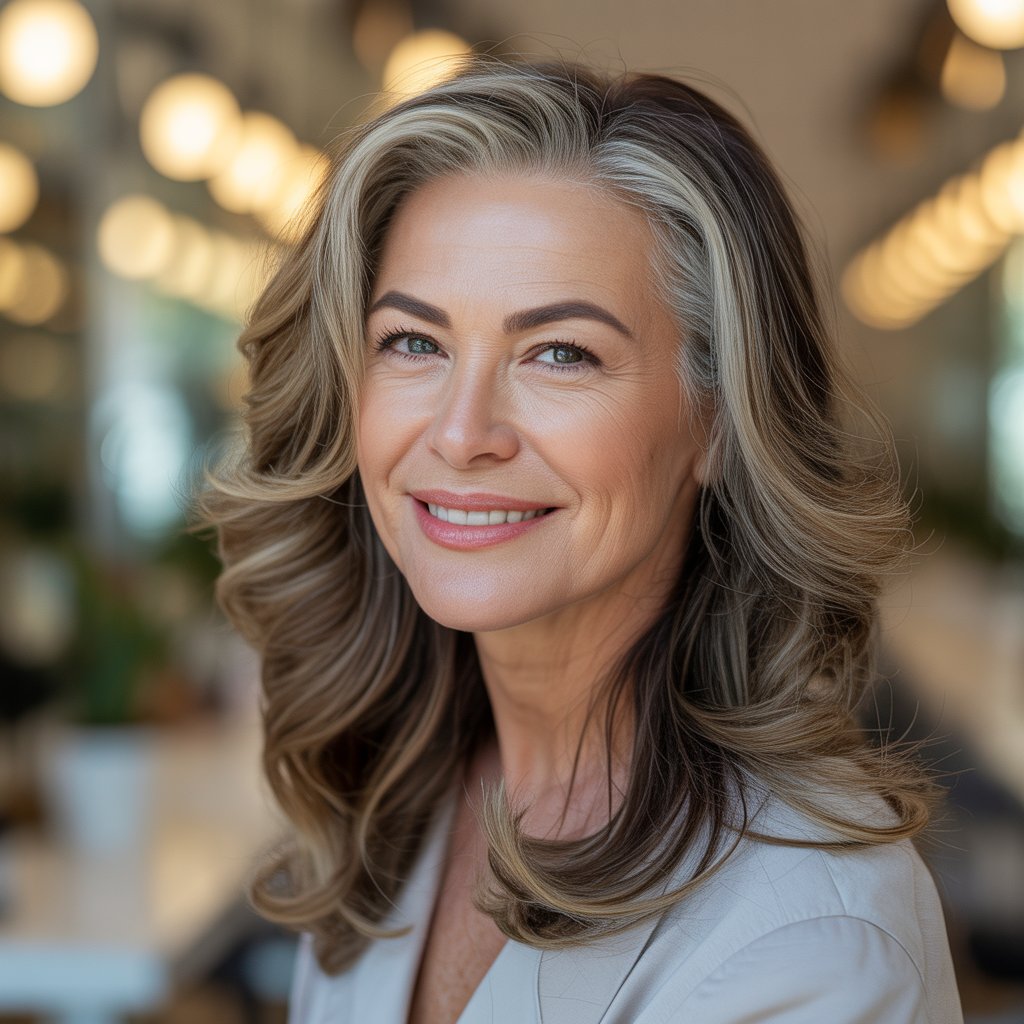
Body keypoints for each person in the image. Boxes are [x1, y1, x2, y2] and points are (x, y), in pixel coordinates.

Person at [200, 55, 964, 1023]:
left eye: (559, 352)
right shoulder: (396, 794)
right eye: (414, 342)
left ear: (719, 422)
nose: (461, 431)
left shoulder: (808, 937)